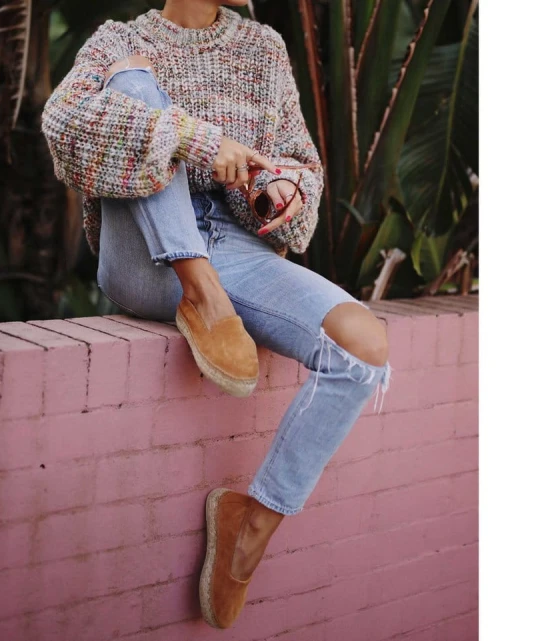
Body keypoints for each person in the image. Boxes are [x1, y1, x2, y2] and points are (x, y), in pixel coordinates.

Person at [42, 0, 392, 629]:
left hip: (235, 251)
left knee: (363, 346)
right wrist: (197, 140)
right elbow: (62, 126)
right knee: (132, 81)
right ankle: (198, 292)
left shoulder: (263, 49)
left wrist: (275, 189)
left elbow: (302, 169)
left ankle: (251, 522)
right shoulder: (119, 39)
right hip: (144, 254)